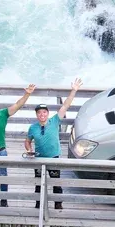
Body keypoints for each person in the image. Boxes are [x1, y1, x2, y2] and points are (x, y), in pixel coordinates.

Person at [27, 79, 82, 210]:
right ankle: (38, 205)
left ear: (47, 113)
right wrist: (29, 149)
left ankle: (58, 205)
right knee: (38, 184)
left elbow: (66, 106)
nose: (42, 114)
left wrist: (74, 90)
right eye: (39, 112)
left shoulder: (55, 120)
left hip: (53, 158)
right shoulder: (32, 128)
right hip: (38, 159)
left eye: (44, 112)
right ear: (36, 115)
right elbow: (27, 141)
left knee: (56, 183)